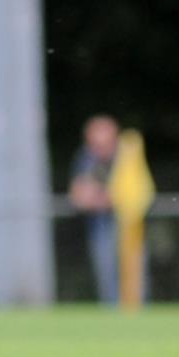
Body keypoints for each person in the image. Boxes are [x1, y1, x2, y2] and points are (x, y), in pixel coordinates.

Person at [69, 114, 119, 304]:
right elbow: (79, 195)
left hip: (129, 223)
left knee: (132, 272)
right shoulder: (86, 157)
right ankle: (111, 312)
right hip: (99, 224)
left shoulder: (127, 155)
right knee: (106, 270)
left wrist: (105, 197)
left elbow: (130, 193)